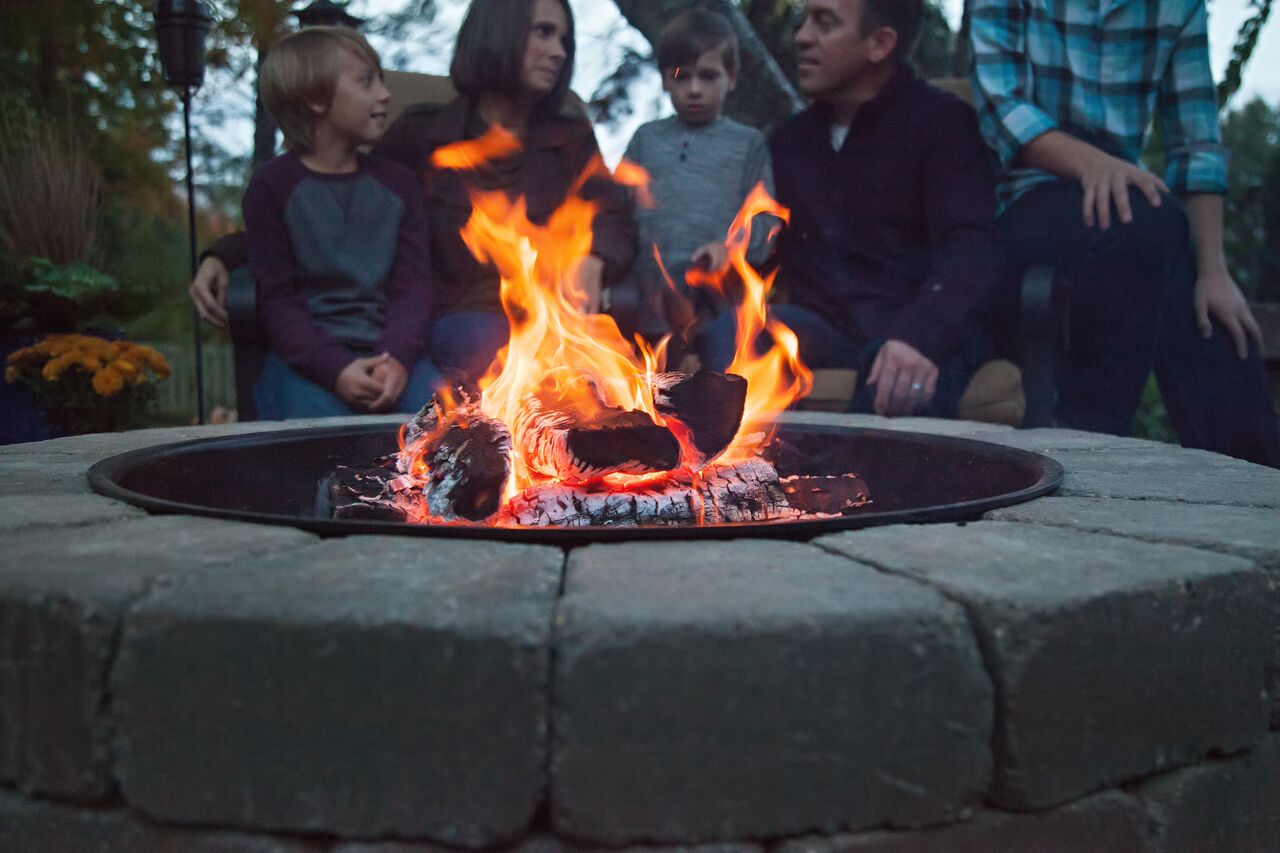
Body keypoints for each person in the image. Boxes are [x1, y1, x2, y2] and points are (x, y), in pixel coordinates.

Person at [190, 0, 637, 385]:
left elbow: (616, 219)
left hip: (556, 318)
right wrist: (227, 253)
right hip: (459, 319)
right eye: (544, 33)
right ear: (500, 31)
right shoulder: (423, 136)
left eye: (565, 39)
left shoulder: (572, 141)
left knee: (605, 364)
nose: (559, 51)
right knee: (485, 343)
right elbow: (340, 204)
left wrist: (594, 257)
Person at [970, 0, 1280, 467]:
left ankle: (1258, 481)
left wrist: (1214, 271)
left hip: (1132, 210)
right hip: (1024, 197)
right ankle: (1096, 441)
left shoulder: (1178, 8)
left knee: (1208, 306)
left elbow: (1195, 142)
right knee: (1150, 223)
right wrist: (1096, 165)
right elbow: (1001, 111)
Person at [696, 0, 1005, 419]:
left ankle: (857, 485)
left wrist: (921, 335)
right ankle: (721, 476)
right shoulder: (792, 143)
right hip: (823, 327)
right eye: (805, 19)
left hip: (920, 327)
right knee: (729, 335)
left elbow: (970, 246)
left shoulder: (942, 124)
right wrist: (725, 253)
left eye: (824, 23)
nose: (802, 36)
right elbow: (764, 241)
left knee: (898, 380)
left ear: (879, 44)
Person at [241, 26, 439, 419]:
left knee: (440, 420)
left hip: (392, 355)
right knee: (315, 433)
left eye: (380, 79)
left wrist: (396, 358)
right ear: (315, 99)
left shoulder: (399, 185)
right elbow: (278, 301)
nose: (384, 94)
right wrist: (336, 369)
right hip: (308, 362)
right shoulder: (272, 187)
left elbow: (414, 288)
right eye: (366, 82)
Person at [618, 8, 775, 343]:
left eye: (708, 76)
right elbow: (616, 209)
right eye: (681, 76)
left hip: (718, 298)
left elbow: (764, 220)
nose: (693, 89)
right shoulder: (646, 139)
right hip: (648, 298)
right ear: (663, 79)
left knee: (710, 381)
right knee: (652, 385)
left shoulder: (747, 143)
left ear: (731, 77)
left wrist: (729, 248)